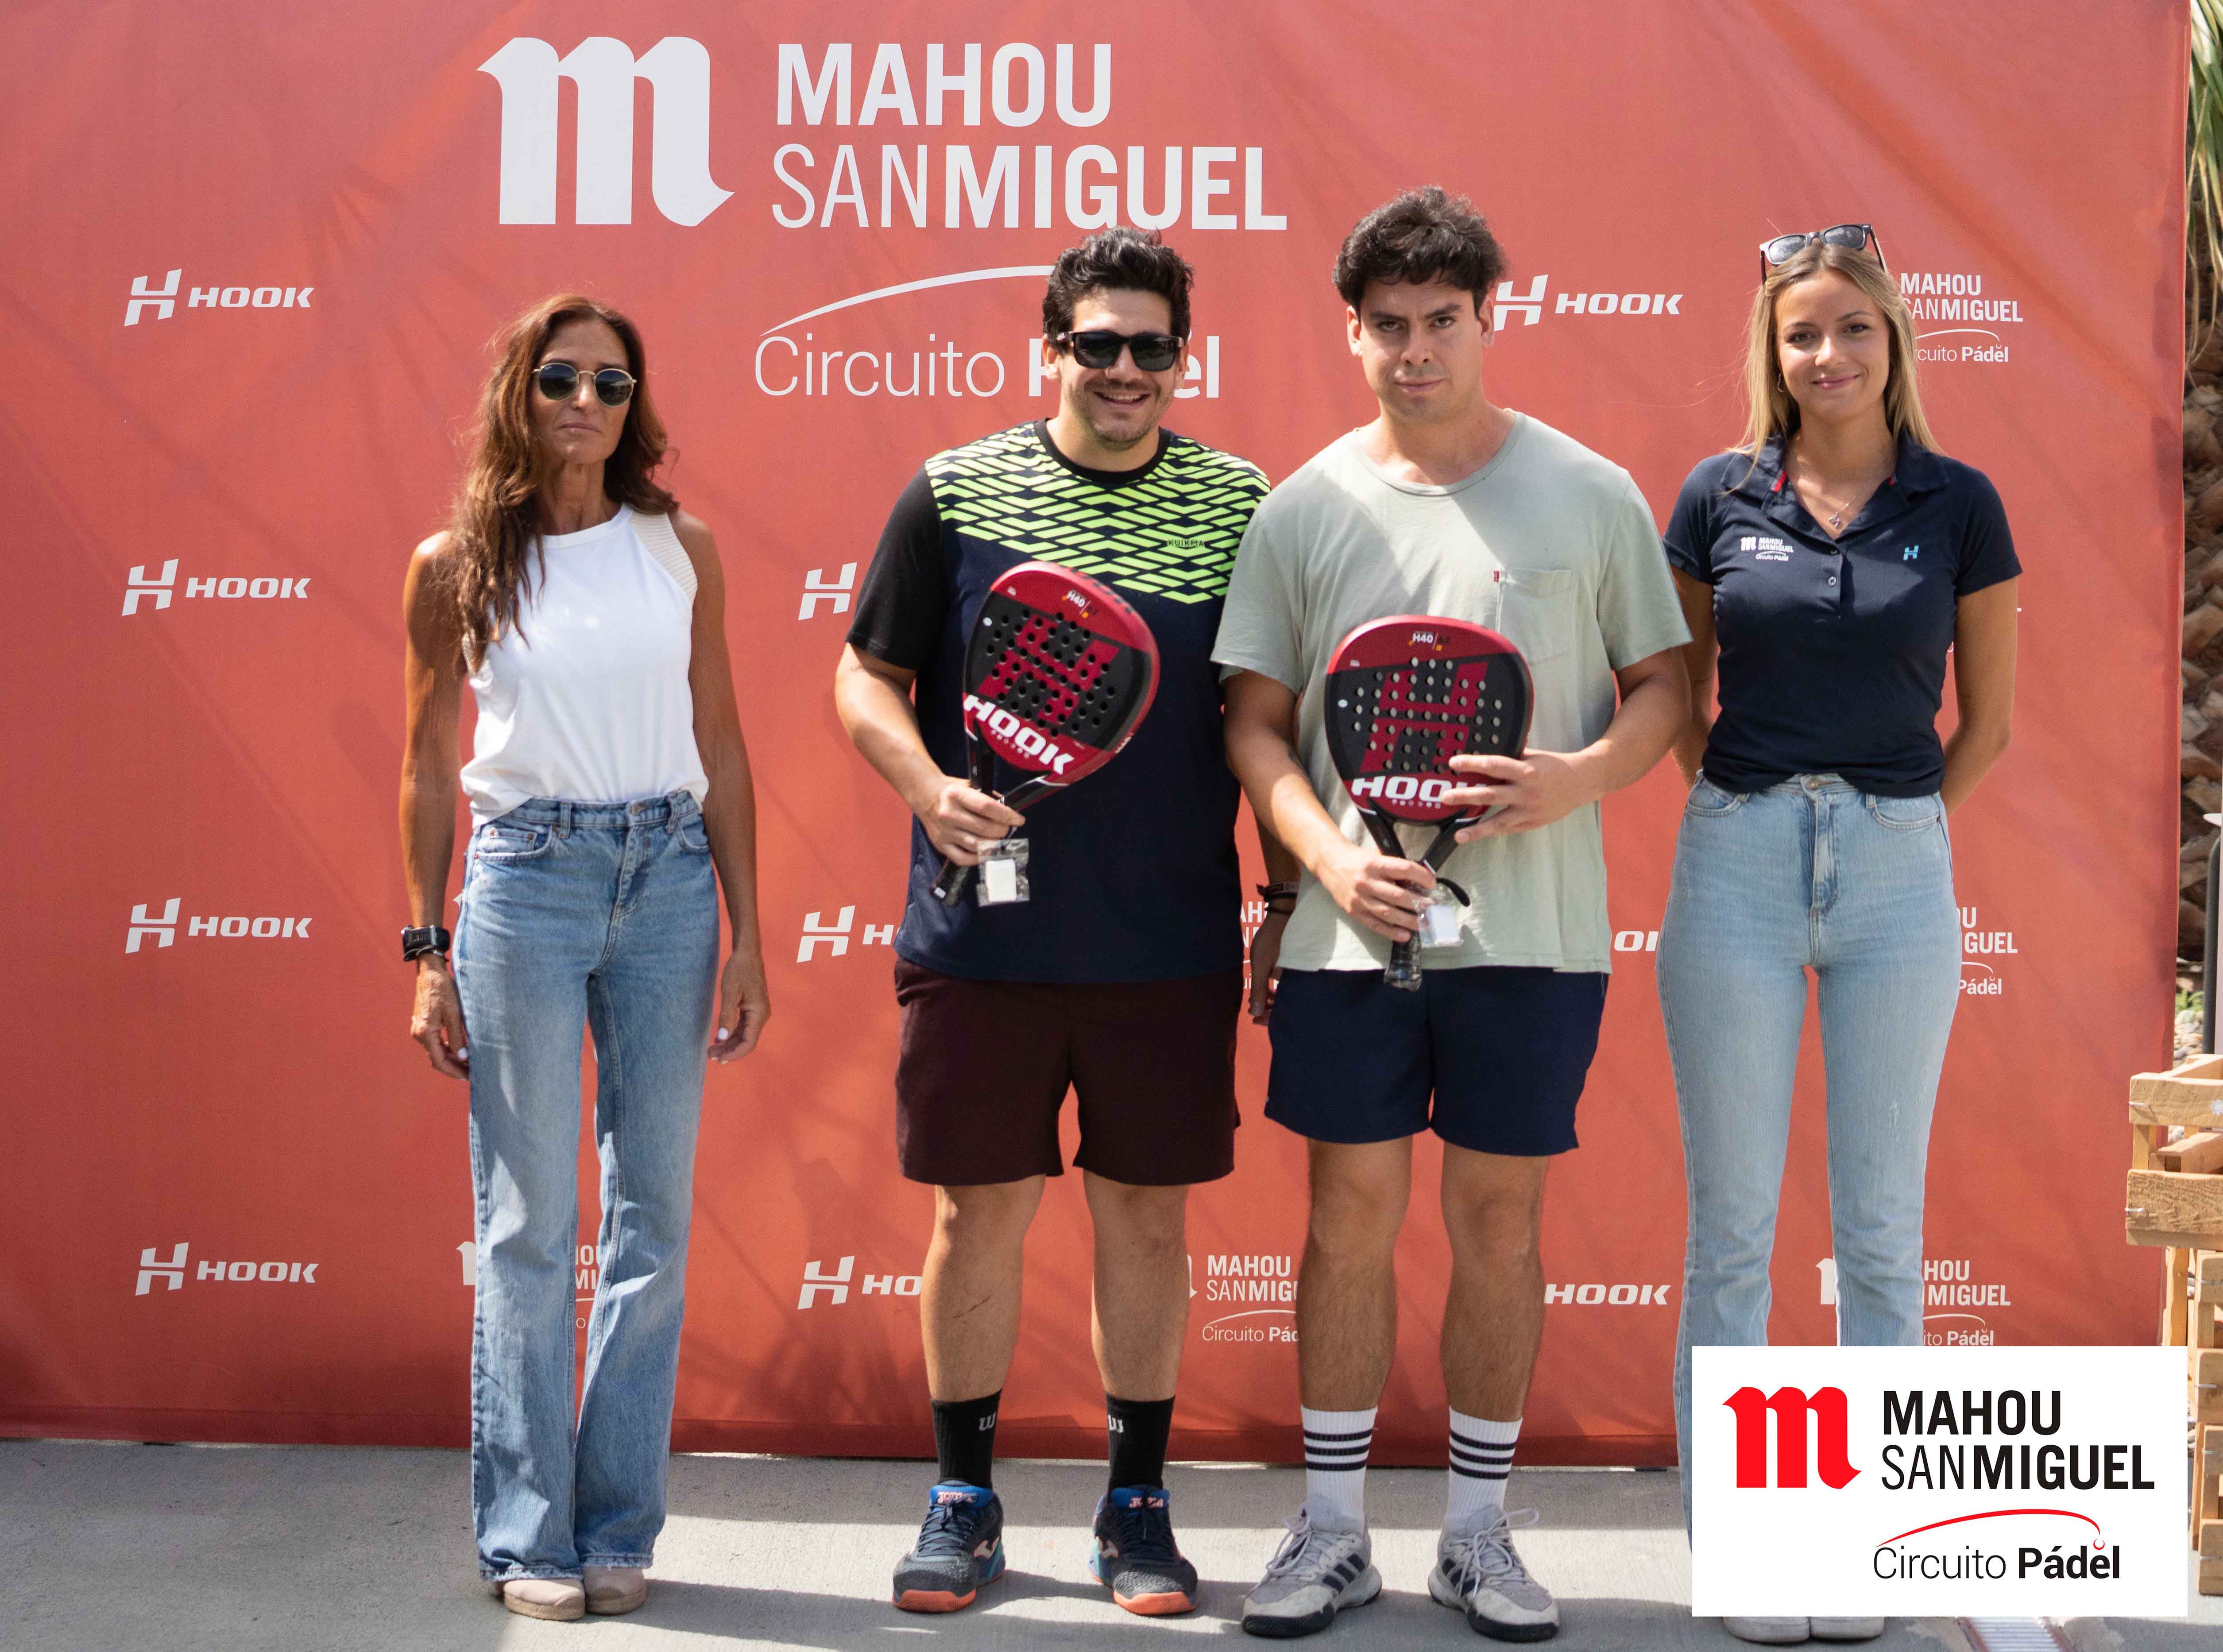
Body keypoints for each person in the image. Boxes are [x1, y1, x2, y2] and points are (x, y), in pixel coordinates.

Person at [1213, 187, 1691, 1643]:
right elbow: (1255, 723)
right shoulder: (1303, 507)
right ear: (1351, 334)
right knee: (1348, 1218)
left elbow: (1666, 690)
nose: (1415, 350)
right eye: (1389, 326)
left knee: (1499, 1220)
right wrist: (1323, 858)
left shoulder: (1592, 491)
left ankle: (1478, 1536)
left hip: (1533, 941)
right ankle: (1334, 1529)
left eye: (1442, 321)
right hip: (1346, 937)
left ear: (1491, 318)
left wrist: (1578, 777)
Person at [833, 228, 1291, 1617]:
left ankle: (1136, 1505)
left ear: (1183, 358)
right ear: (1052, 349)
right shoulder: (954, 490)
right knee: (976, 1217)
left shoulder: (1241, 503)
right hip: (984, 940)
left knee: (1146, 1221)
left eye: (1153, 346)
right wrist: (928, 786)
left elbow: (1262, 716)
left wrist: (1281, 895)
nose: (1126, 369)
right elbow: (864, 675)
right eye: (1099, 343)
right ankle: (961, 1498)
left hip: (1169, 942)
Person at [1657, 224, 2018, 1648]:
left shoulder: (1960, 501)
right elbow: (1680, 694)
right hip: (1737, 860)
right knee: (1733, 1234)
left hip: (1895, 871)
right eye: (1802, 331)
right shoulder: (1718, 495)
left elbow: (1989, 724)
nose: (1829, 353)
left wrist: (1889, 822)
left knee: (1878, 1232)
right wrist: (1753, 803)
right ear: (1774, 348)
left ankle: (1871, 1543)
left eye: (1853, 327)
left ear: (1894, 340)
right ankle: (1747, 1552)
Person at [397, 291, 769, 1623]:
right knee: (526, 1227)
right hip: (526, 883)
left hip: (668, 881)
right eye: (562, 378)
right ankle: (527, 1534)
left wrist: (749, 933)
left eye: (613, 384)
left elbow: (721, 738)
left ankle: (617, 1520)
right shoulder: (455, 565)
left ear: (635, 405)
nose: (587, 402)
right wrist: (427, 948)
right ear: (520, 390)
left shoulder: (679, 546)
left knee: (653, 1219)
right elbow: (425, 763)